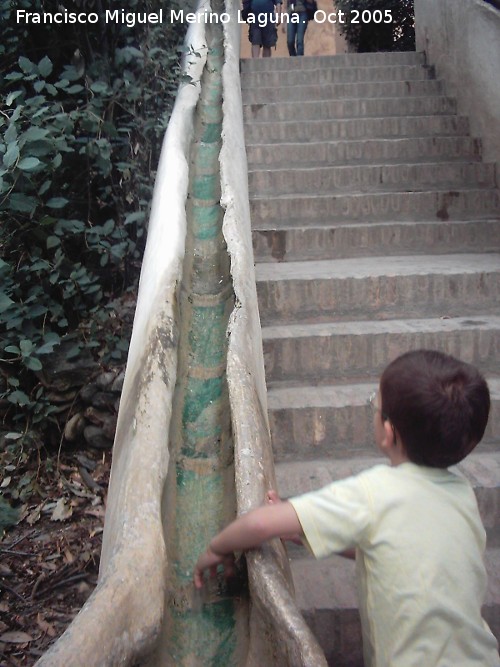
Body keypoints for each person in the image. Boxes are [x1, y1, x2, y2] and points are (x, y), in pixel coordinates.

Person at [194, 349, 500, 666]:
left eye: (375, 404)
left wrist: (218, 548)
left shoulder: (374, 492)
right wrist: (309, 529)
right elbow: (395, 545)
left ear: (388, 432)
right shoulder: (461, 495)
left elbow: (259, 525)